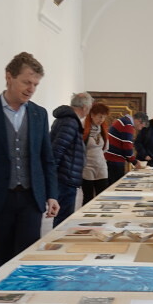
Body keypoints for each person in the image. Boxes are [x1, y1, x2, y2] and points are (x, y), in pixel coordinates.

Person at [0, 52, 60, 269]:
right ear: (9, 77)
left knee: (28, 259)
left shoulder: (39, 114)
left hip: (31, 198)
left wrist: (52, 194)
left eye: (35, 84)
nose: (31, 89)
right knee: (2, 259)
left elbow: (47, 159)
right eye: (26, 82)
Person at [51, 91, 93, 225]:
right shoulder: (70, 122)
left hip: (65, 175)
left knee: (63, 216)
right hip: (65, 177)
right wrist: (51, 177)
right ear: (85, 107)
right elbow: (58, 150)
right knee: (63, 218)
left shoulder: (65, 119)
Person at [104, 111, 149, 184]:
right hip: (115, 160)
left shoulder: (124, 121)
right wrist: (134, 162)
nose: (140, 129)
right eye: (142, 126)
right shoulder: (127, 125)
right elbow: (127, 146)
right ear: (139, 121)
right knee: (115, 185)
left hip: (111, 159)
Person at [81, 102, 110, 203]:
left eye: (104, 117)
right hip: (87, 166)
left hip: (101, 165)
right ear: (92, 115)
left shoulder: (103, 129)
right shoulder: (83, 128)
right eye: (100, 116)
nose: (102, 119)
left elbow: (105, 148)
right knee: (88, 197)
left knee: (102, 197)